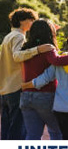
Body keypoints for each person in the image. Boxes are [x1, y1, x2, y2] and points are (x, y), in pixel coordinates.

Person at [19, 19, 68, 140]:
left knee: (32, 135)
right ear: (50, 33)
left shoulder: (25, 48)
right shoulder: (48, 48)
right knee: (57, 132)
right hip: (45, 96)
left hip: (26, 96)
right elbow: (57, 61)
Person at [0, 8, 54, 140]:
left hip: (5, 89)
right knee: (17, 129)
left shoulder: (8, 37)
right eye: (32, 20)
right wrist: (38, 49)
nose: (34, 23)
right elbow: (17, 56)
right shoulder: (19, 36)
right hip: (16, 87)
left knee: (6, 127)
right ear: (22, 21)